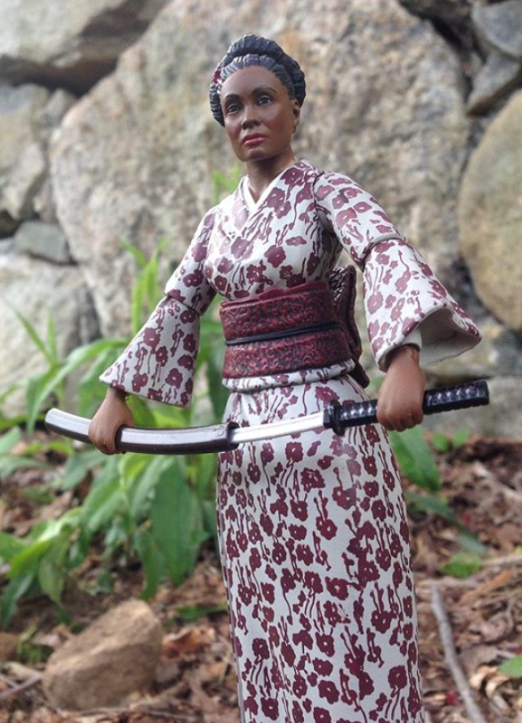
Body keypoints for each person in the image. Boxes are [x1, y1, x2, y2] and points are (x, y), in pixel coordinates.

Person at [89, 34, 480, 723]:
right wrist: (117, 396)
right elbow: (177, 303)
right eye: (232, 108)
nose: (248, 117)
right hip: (247, 445)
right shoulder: (216, 224)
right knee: (269, 615)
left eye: (263, 99)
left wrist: (403, 358)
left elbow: (381, 251)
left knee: (347, 607)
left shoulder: (327, 191)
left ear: (294, 108)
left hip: (327, 427)